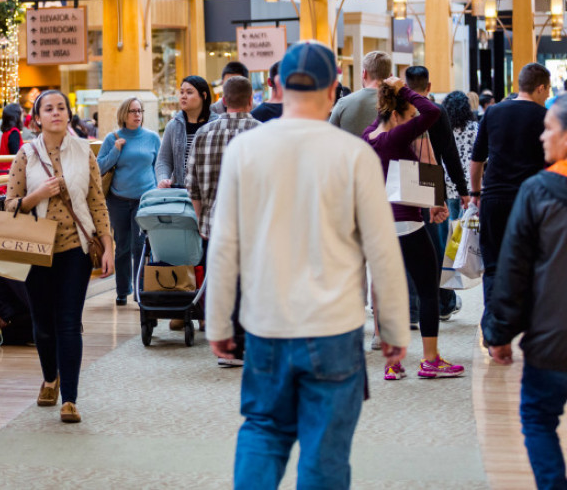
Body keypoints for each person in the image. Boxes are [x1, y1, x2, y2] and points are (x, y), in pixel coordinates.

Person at [206, 41, 409, 488]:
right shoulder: (354, 154)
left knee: (263, 432)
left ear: (276, 85)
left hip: (266, 325)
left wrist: (218, 322)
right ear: (335, 87)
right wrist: (394, 329)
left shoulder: (246, 150)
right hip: (335, 328)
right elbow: (383, 251)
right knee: (326, 452)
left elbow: (224, 246)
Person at [5, 90, 114, 424]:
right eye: (47, 109)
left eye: (60, 108)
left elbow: (97, 200)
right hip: (35, 248)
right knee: (43, 323)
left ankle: (70, 398)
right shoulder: (26, 153)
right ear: (37, 118)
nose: (55, 113)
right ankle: (49, 377)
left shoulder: (83, 151)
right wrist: (36, 195)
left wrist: (108, 245)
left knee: (69, 322)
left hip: (75, 249)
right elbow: (10, 204)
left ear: (69, 114)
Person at [483, 95, 567, 490]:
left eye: (550, 128)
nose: (542, 136)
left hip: (552, 342)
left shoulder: (538, 192)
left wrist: (499, 333)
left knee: (537, 418)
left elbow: (513, 270)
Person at [363, 78, 464, 380]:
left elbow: (405, 176)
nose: (412, 122)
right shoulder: (395, 137)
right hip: (407, 225)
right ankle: (430, 360)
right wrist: (407, 91)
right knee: (427, 290)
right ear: (396, 115)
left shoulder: (368, 135)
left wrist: (433, 201)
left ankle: (392, 363)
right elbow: (431, 112)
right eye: (408, 116)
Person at [187, 76, 259, 367]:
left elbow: (192, 188)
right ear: (251, 100)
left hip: (215, 222)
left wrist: (200, 222)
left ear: (223, 101)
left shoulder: (204, 134)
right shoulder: (263, 133)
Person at [470, 63, 550, 317]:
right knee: (532, 263)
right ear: (540, 88)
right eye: (547, 91)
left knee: (493, 266)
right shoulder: (546, 117)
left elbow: (476, 160)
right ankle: (525, 324)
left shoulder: (493, 113)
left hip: (494, 198)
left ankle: (493, 330)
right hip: (531, 201)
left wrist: (476, 194)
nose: (547, 96)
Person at [404, 66, 469, 321]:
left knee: (407, 242)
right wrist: (463, 190)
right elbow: (450, 154)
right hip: (431, 183)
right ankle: (443, 302)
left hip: (402, 181)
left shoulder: (398, 110)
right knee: (436, 246)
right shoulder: (437, 112)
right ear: (428, 87)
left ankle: (411, 307)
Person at [96, 97, 159, 306]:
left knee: (139, 246)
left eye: (140, 111)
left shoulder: (152, 138)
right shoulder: (112, 138)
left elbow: (159, 166)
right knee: (122, 246)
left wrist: (159, 192)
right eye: (133, 111)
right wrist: (116, 150)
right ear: (124, 114)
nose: (137, 115)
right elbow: (99, 168)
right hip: (119, 200)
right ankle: (123, 290)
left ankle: (140, 291)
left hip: (145, 199)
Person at [155, 75, 216, 189]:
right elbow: (164, 160)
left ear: (204, 95)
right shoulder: (173, 126)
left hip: (211, 192)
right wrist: (163, 179)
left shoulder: (217, 125)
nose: (183, 96)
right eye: (182, 92)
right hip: (181, 192)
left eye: (189, 92)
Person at [329, 50, 392, 136]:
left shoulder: (343, 104)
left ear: (364, 73)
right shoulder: (401, 105)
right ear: (390, 75)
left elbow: (329, 137)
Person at [441, 91, 479, 225]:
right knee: (469, 223)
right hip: (471, 181)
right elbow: (482, 155)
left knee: (452, 222)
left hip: (450, 180)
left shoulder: (444, 128)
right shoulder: (474, 128)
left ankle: (452, 246)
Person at [0, 103, 25, 175]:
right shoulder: (14, 132)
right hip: (11, 173)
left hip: (4, 171)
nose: (23, 115)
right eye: (21, 113)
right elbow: (16, 154)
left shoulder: (6, 132)